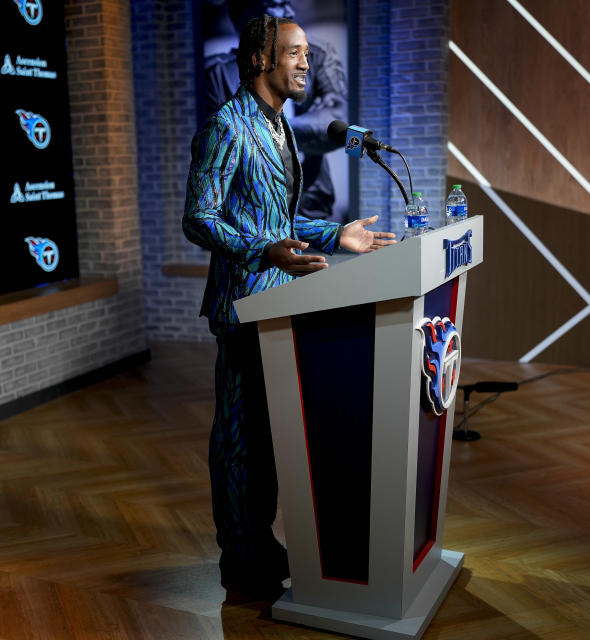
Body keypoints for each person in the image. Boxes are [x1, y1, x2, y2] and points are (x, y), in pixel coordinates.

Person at [183, 14, 396, 598]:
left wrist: (336, 236)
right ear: (259, 60)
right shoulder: (227, 126)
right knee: (238, 439)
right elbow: (199, 217)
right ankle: (240, 558)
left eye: (307, 53)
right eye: (295, 53)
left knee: (271, 437)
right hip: (240, 308)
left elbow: (275, 220)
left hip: (279, 306)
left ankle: (263, 545)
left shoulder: (277, 128)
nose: (308, 63)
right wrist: (261, 250)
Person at [203, 0, 348, 220]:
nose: (289, 11)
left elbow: (337, 122)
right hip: (251, 220)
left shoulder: (315, 57)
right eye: (278, 4)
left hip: (312, 208)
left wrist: (267, 132)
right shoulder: (217, 73)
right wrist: (308, 127)